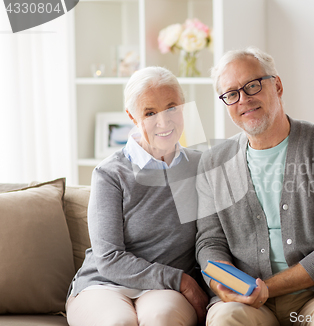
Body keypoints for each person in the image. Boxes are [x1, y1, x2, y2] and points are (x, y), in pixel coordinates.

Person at [196, 47, 314, 326]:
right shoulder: (213, 163)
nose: (244, 100)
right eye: (231, 94)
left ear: (276, 85)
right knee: (223, 319)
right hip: (245, 302)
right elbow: (209, 242)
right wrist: (222, 282)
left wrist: (268, 289)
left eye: (252, 86)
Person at [66, 66, 208, 326]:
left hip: (163, 291)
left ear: (184, 106)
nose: (163, 122)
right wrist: (181, 280)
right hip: (103, 284)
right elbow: (109, 259)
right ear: (132, 116)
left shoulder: (200, 166)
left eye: (171, 107)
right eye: (150, 113)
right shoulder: (109, 173)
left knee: (161, 319)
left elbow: (212, 237)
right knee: (118, 323)